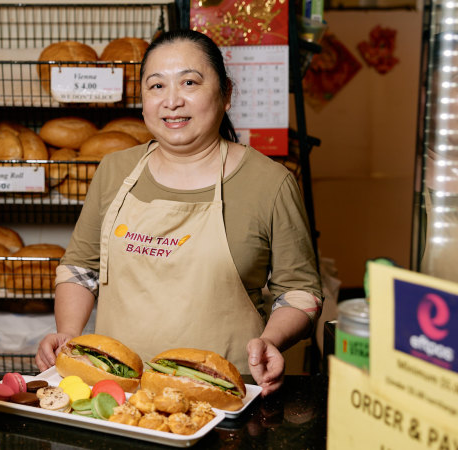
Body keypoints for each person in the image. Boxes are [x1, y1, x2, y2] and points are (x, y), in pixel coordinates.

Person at [35, 29, 322, 396]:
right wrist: (69, 337)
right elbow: (80, 269)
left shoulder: (270, 183)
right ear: (143, 102)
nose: (171, 101)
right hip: (118, 395)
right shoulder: (114, 170)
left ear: (226, 94)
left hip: (223, 396)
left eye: (189, 82)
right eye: (156, 86)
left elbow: (299, 291)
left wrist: (271, 340)